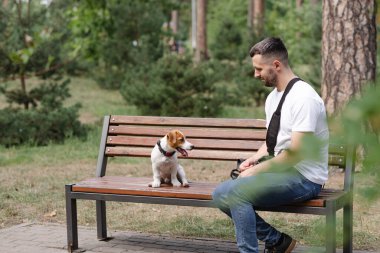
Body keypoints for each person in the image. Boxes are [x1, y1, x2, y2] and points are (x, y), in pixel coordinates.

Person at [212, 37, 329, 253]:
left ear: (276, 65)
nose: (255, 74)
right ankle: (277, 241)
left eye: (259, 69)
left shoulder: (304, 98)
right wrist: (254, 159)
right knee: (220, 193)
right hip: (282, 172)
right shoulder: (273, 98)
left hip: (305, 178)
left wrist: (256, 171)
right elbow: (272, 143)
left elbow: (295, 154)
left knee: (237, 193)